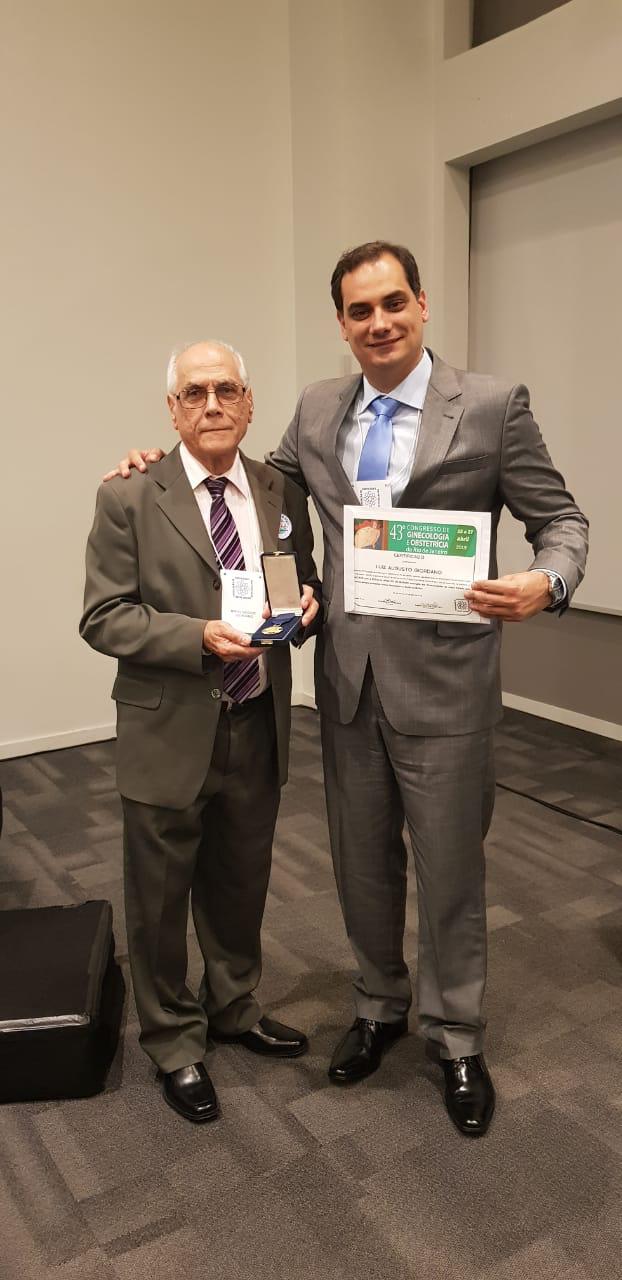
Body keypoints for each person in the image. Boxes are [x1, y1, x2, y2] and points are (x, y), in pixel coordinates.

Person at [108, 243, 588, 1137]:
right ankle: (377, 1006)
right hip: (348, 683)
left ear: (422, 304)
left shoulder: (491, 405)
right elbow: (259, 488)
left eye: (393, 302)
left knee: (451, 872)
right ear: (342, 323)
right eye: (360, 310)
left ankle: (456, 1036)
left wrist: (548, 580)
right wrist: (163, 463)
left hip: (448, 685)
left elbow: (560, 518)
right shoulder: (320, 408)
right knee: (361, 865)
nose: (379, 322)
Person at [81, 340, 321, 1124]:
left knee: (241, 881)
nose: (212, 404)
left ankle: (234, 1006)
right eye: (194, 392)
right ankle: (174, 1039)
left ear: (248, 403)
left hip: (257, 721)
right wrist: (198, 637)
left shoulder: (279, 489)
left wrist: (308, 605)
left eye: (226, 389)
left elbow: (298, 578)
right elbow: (104, 617)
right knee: (158, 898)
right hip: (170, 726)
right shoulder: (128, 496)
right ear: (172, 409)